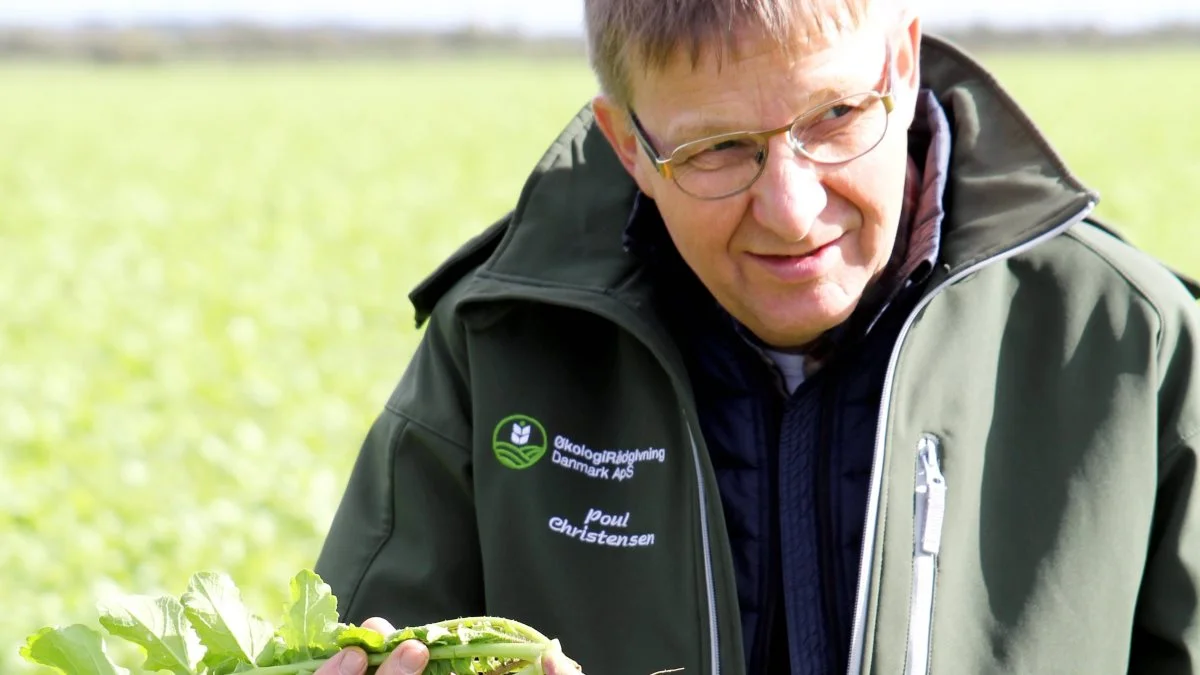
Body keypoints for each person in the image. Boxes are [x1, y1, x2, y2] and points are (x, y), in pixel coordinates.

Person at [312, 0, 1200, 673]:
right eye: (717, 150)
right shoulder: (497, 350)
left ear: (903, 61)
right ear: (629, 146)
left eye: (836, 117)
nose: (791, 210)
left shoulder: (1139, 346)